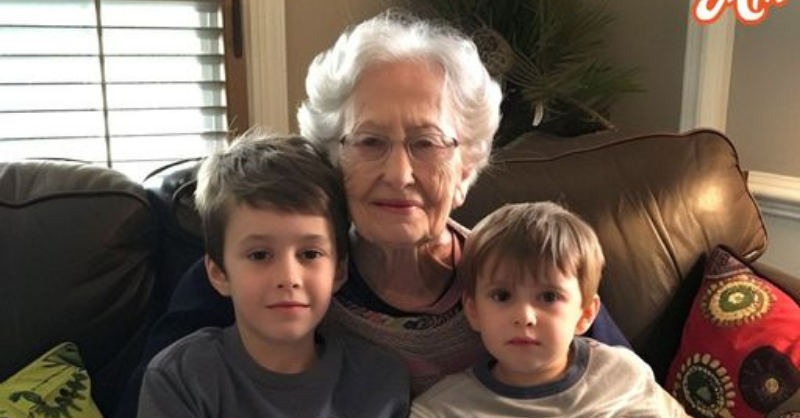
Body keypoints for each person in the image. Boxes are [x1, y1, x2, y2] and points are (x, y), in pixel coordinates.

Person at [115, 9, 630, 417]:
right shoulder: (268, 264)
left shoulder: (524, 271)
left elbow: (621, 387)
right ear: (332, 159)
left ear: (467, 165)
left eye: (427, 143)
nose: (399, 173)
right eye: (370, 141)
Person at [136, 132, 409, 418]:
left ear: (338, 271)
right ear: (219, 273)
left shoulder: (380, 381)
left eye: (310, 254)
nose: (288, 277)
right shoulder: (181, 379)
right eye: (259, 255)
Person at [410, 202, 690, 417]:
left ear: (585, 315)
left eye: (548, 296)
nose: (524, 316)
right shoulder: (442, 409)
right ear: (473, 311)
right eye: (502, 296)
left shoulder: (622, 375)